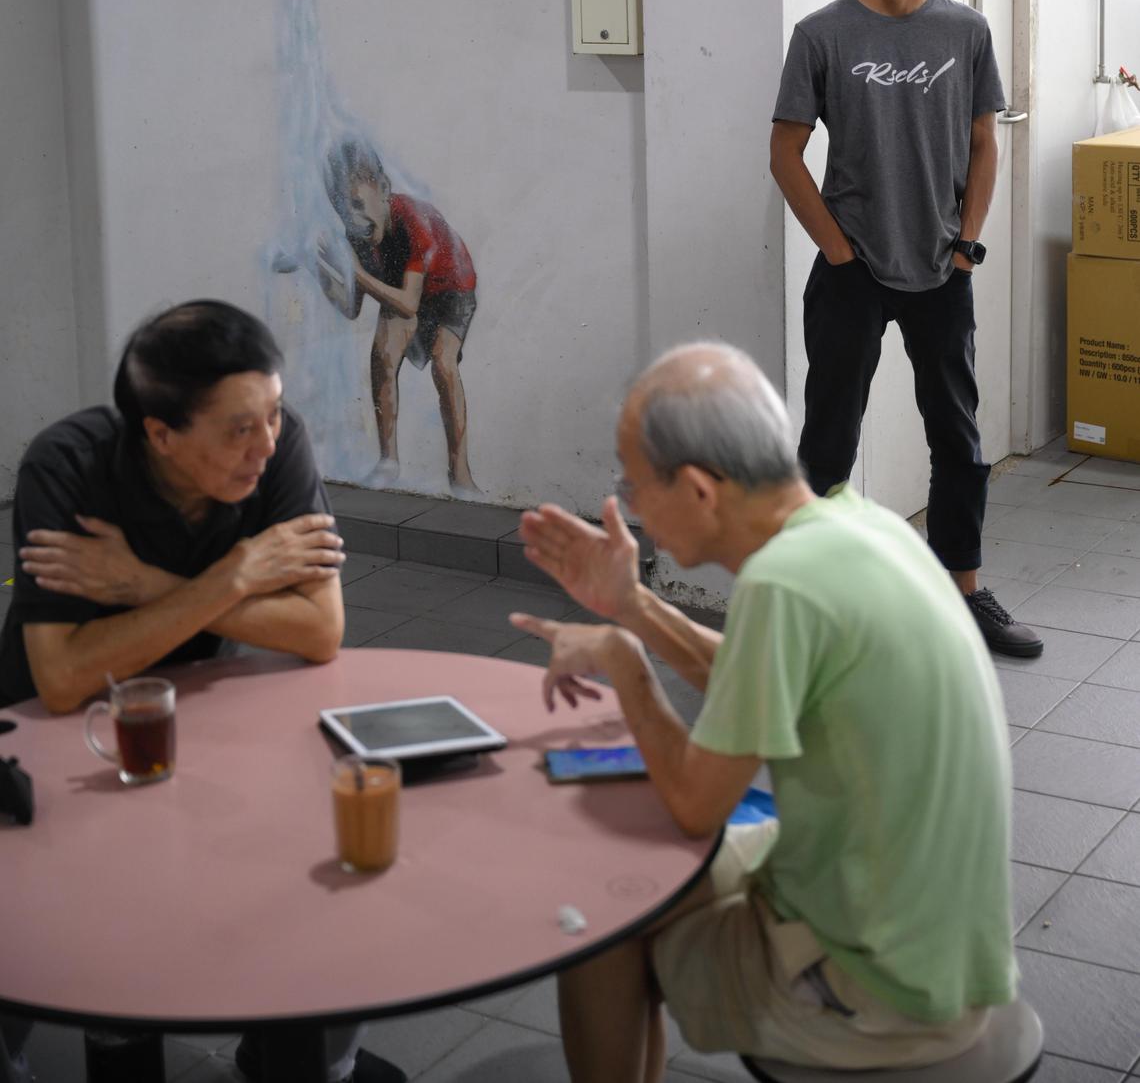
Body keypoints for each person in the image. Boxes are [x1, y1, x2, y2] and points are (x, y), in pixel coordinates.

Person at [510, 342, 1017, 1083]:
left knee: (600, 923)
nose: (629, 506)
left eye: (634, 485)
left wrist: (625, 659)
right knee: (647, 877)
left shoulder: (780, 585)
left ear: (698, 490)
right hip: (946, 952)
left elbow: (692, 804)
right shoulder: (858, 527)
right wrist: (631, 603)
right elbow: (760, 680)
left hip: (878, 996)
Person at [0, 299, 401, 1083]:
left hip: (187, 709)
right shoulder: (66, 468)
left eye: (274, 414)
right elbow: (63, 678)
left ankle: (282, 1046)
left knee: (287, 875)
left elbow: (321, 630)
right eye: (238, 429)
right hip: (46, 741)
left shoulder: (280, 455)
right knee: (77, 934)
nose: (267, 445)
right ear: (161, 435)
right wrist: (238, 577)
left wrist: (153, 583)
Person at [769, 0, 1042, 657]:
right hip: (852, 270)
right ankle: (809, 599)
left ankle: (964, 590)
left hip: (940, 267)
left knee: (959, 438)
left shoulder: (966, 30)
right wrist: (837, 249)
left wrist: (966, 243)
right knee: (829, 439)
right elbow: (786, 151)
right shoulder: (821, 34)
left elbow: (985, 138)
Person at [321, 141, 478, 491]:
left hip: (451, 287)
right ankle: (388, 461)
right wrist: (320, 269)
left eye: (360, 204)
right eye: (344, 210)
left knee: (443, 363)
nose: (354, 219)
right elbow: (351, 308)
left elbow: (408, 304)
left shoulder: (415, 221)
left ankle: (460, 474)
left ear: (385, 191)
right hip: (405, 288)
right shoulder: (360, 234)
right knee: (383, 355)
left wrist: (357, 273)